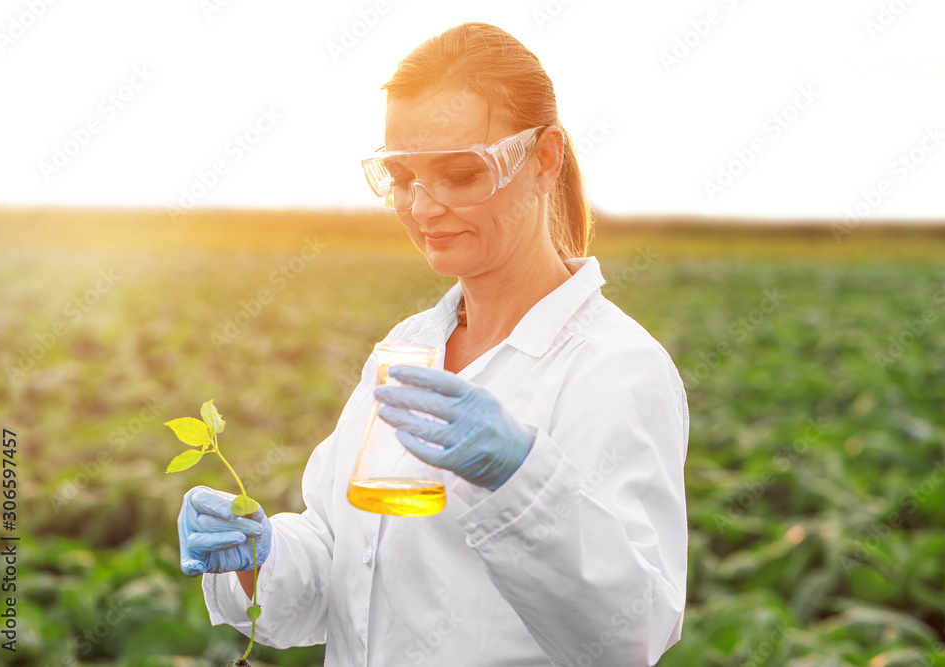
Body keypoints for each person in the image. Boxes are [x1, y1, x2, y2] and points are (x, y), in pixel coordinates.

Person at [178, 22, 689, 666]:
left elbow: (628, 635)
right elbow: (344, 565)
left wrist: (519, 478)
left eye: (460, 174)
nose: (423, 208)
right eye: (401, 176)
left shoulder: (616, 369)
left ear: (544, 160)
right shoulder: (408, 346)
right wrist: (263, 556)